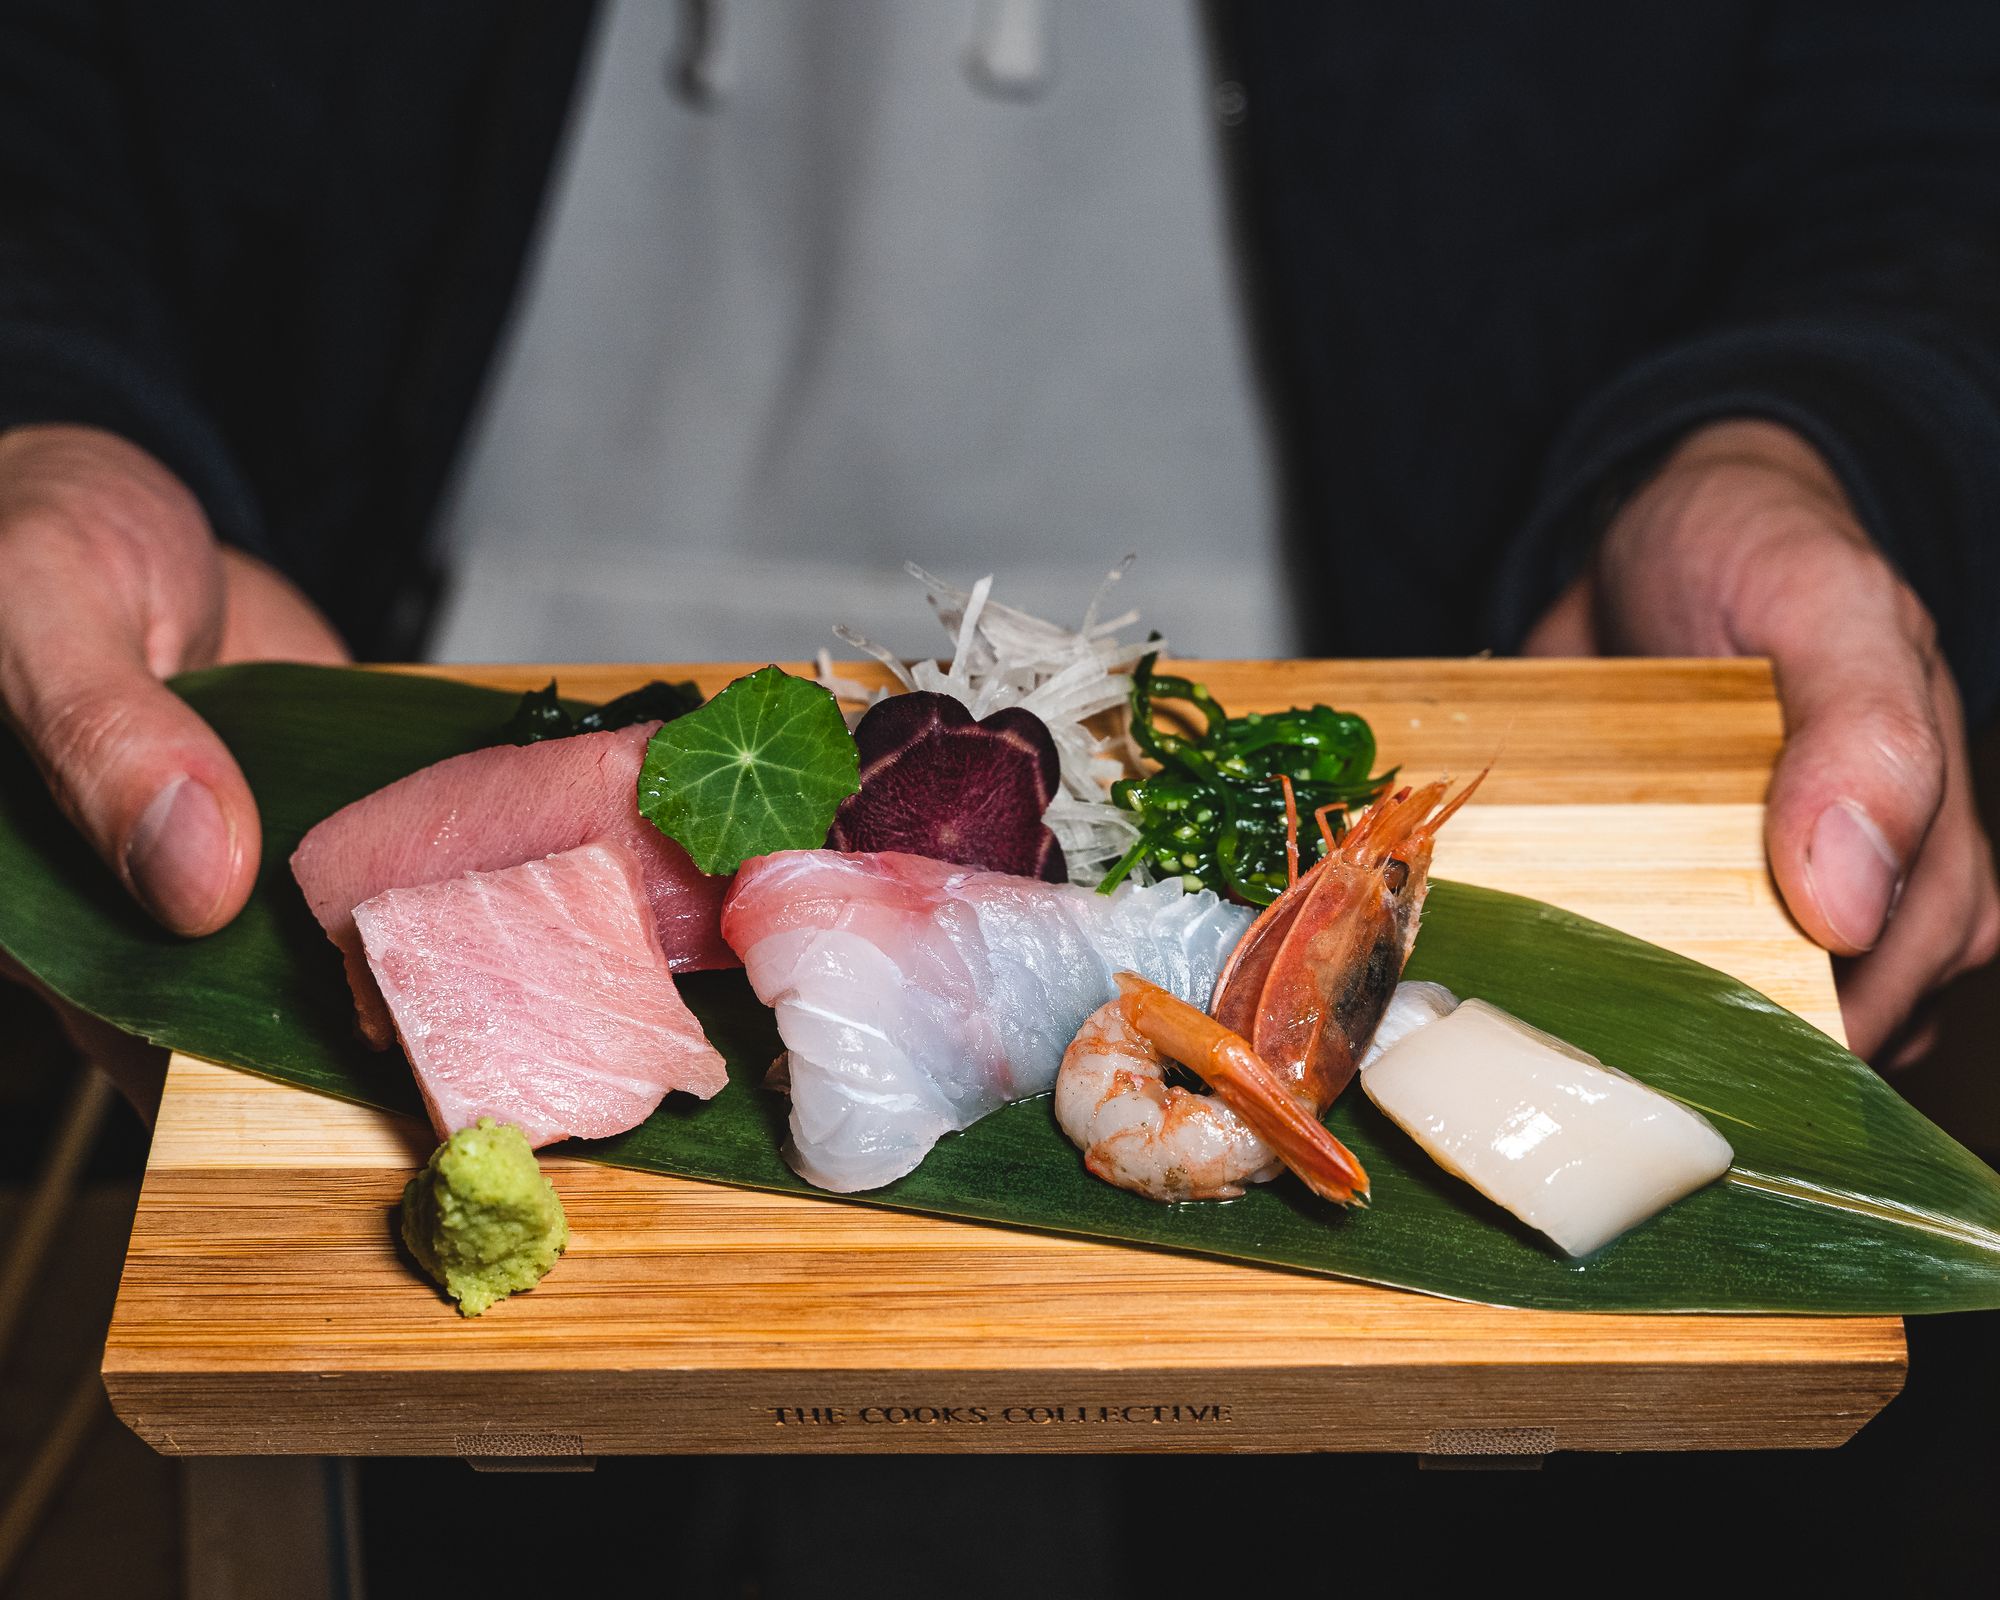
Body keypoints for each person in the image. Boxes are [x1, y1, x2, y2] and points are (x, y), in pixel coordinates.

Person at [1, 0, 1997, 1071]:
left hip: (1431, 692)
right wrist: (53, 401)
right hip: (383, 637)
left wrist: (1808, 437)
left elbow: (1906, 122)